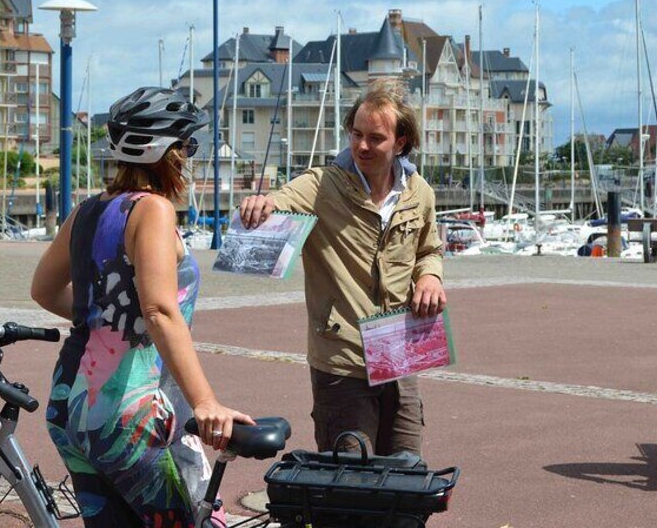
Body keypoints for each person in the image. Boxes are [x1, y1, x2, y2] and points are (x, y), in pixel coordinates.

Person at [32, 87, 252, 527]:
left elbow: (45, 289)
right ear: (168, 153)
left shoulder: (88, 211)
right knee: (194, 522)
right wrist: (205, 401)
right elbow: (160, 311)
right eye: (186, 146)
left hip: (70, 407)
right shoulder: (152, 210)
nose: (189, 157)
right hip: (129, 412)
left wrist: (106, 322)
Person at [240, 78, 446, 458]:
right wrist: (261, 202)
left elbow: (429, 249)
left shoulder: (420, 192)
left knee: (407, 472)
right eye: (356, 134)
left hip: (400, 354)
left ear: (401, 142)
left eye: (375, 138)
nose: (362, 146)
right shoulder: (322, 185)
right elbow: (280, 200)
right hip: (342, 359)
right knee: (350, 475)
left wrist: (430, 276)